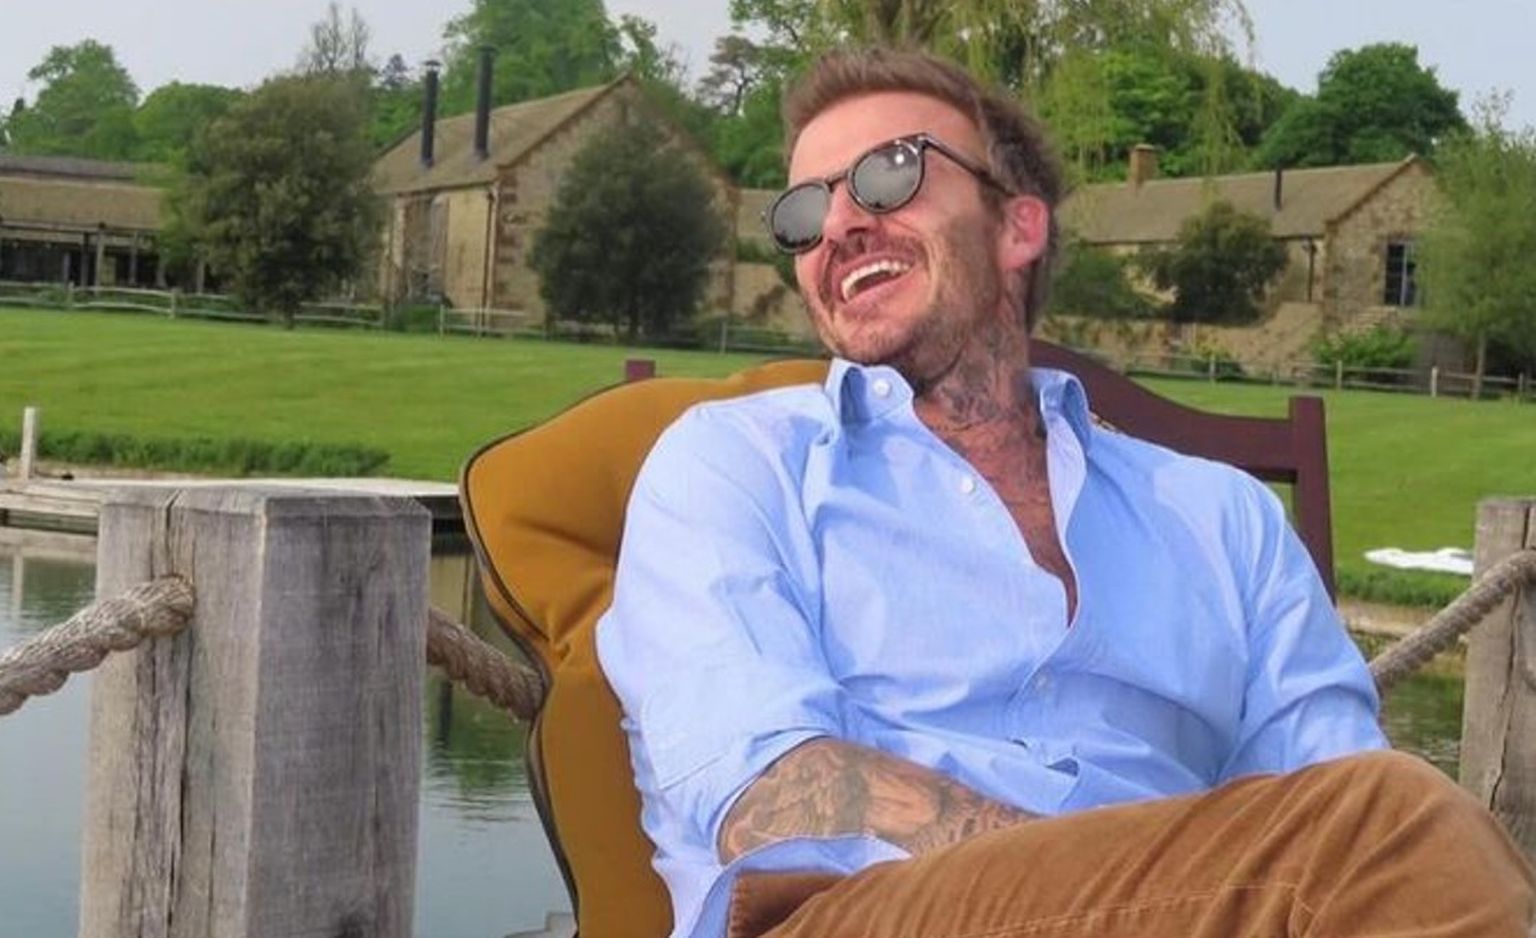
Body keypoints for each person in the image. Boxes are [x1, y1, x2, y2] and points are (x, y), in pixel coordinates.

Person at [596, 47, 1534, 938]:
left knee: (1398, 831)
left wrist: (1177, 895)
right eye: (803, 211)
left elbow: (1331, 788)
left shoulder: (1222, 519)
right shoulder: (735, 464)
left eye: (890, 173)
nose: (837, 225)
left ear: (1018, 226)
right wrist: (1161, 894)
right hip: (852, 911)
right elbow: (761, 788)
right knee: (1399, 825)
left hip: (1209, 906)